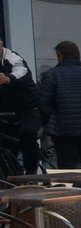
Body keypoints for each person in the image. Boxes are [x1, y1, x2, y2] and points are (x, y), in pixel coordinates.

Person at [38, 41, 81, 170]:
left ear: (60, 57)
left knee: (67, 169)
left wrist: (48, 125)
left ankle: (70, 190)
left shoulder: (52, 75)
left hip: (63, 131)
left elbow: (44, 104)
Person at [0, 40, 42, 173]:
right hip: (6, 112)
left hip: (29, 108)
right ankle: (10, 177)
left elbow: (21, 70)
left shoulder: (12, 57)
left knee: (28, 133)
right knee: (6, 144)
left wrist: (9, 78)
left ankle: (31, 174)